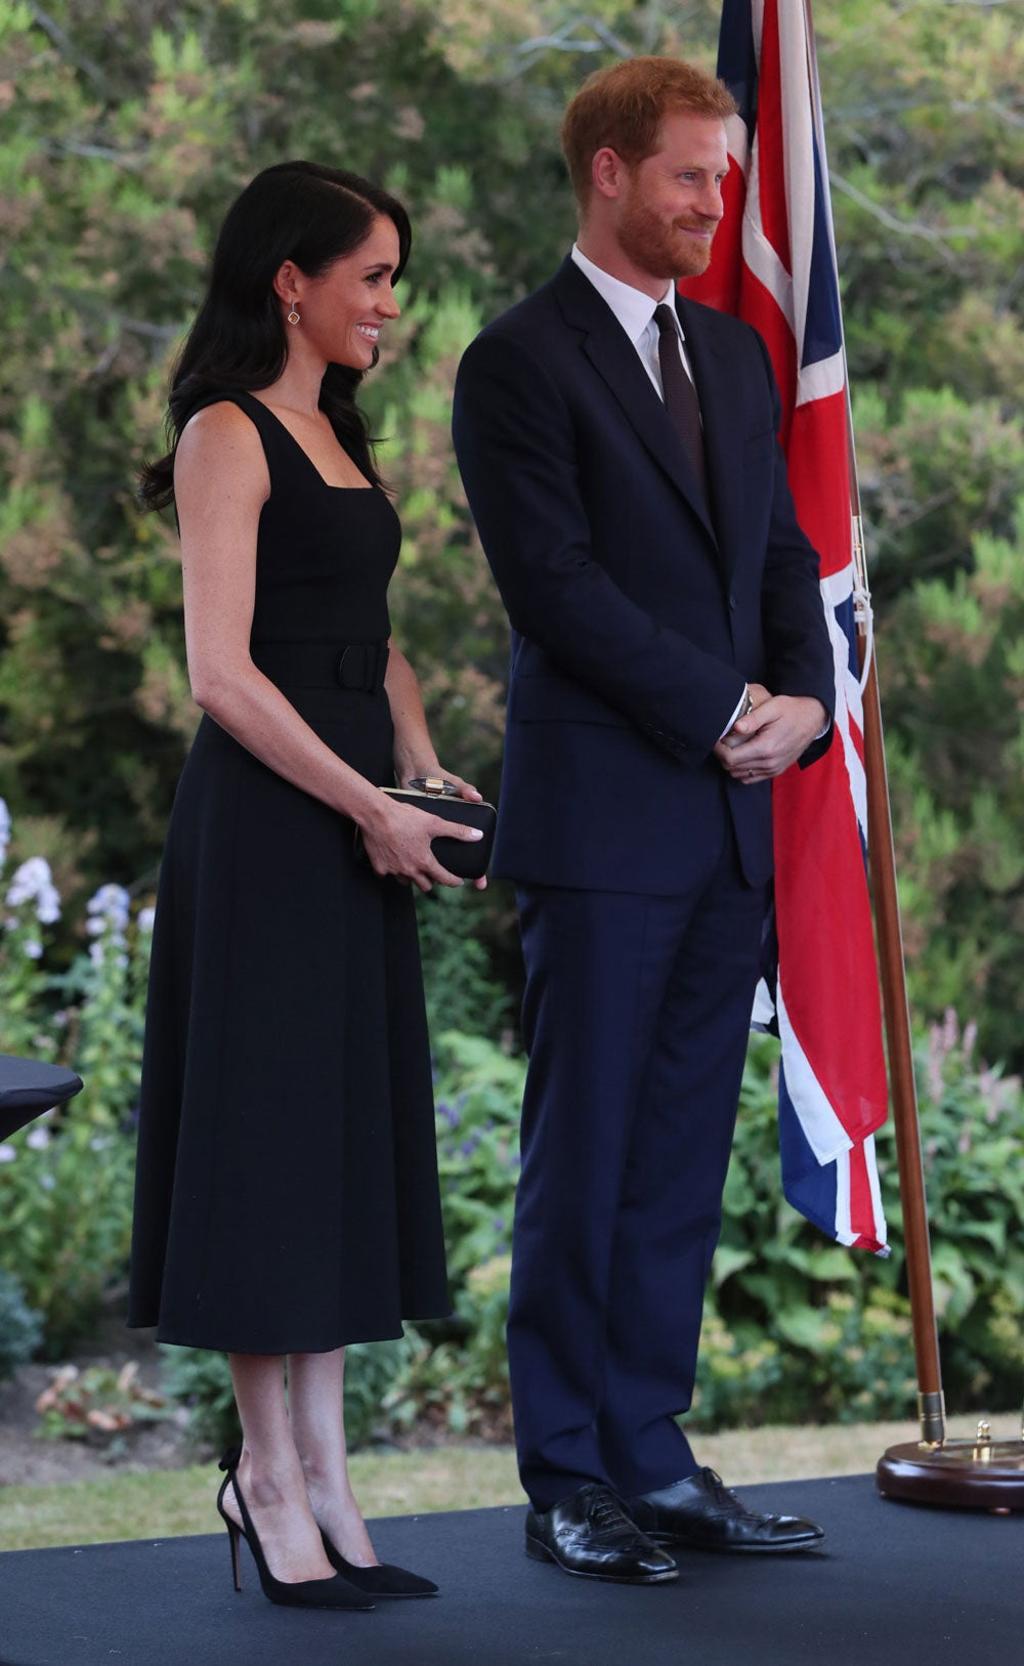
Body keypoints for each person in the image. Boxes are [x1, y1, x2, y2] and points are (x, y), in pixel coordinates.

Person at [452, 57, 834, 1584]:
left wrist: (800, 704)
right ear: (607, 171)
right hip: (605, 824)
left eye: (727, 173)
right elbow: (555, 590)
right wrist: (723, 710)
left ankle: (649, 1454)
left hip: (731, 825)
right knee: (585, 1147)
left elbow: (785, 560)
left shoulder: (737, 362)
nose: (716, 201)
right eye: (691, 173)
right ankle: (564, 1473)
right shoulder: (516, 363)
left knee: (678, 1156)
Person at [128, 160, 487, 1611]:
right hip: (275, 830)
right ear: (293, 277)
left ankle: (331, 1477)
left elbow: (369, 638)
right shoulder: (226, 431)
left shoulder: (334, 434)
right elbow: (222, 674)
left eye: (394, 278)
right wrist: (363, 807)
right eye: (374, 274)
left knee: (332, 1146)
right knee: (268, 1154)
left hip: (355, 819)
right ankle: (263, 1478)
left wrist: (418, 760)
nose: (389, 304)